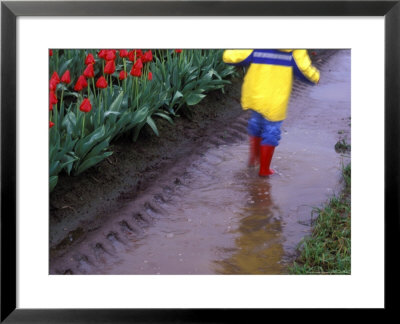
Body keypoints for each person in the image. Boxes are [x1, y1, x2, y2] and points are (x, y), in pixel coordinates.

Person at [223, 49, 320, 176]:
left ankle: (254, 160)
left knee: (256, 123)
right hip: (275, 98)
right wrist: (316, 77)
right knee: (271, 131)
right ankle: (264, 170)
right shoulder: (294, 49)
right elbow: (303, 69)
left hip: (256, 93)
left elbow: (232, 56)